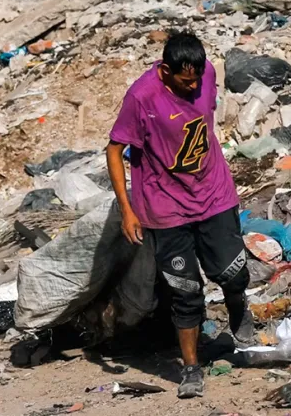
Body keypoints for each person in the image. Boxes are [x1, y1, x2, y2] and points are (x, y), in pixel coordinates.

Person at [106, 32, 254, 399]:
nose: (193, 86)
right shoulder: (142, 97)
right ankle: (191, 369)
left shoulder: (205, 76)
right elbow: (114, 150)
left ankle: (238, 307)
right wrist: (127, 210)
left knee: (232, 272)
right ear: (166, 71)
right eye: (185, 80)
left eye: (197, 79)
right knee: (185, 291)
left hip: (214, 193)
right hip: (165, 206)